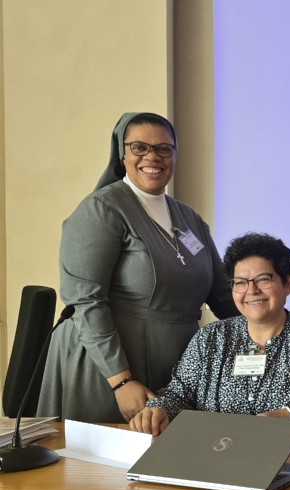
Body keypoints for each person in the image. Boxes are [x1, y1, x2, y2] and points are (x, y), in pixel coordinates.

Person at [39, 112, 238, 423]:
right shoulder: (102, 209)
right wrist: (120, 380)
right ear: (122, 153)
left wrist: (282, 334)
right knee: (108, 453)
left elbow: (223, 295)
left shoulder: (189, 220)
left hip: (177, 369)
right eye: (139, 147)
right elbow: (86, 301)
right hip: (108, 365)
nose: (152, 157)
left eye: (163, 148)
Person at [130, 233, 290, 435]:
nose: (251, 291)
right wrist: (158, 410)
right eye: (240, 283)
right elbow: (179, 394)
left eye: (263, 279)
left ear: (287, 283)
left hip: (286, 453)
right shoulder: (210, 338)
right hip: (212, 450)